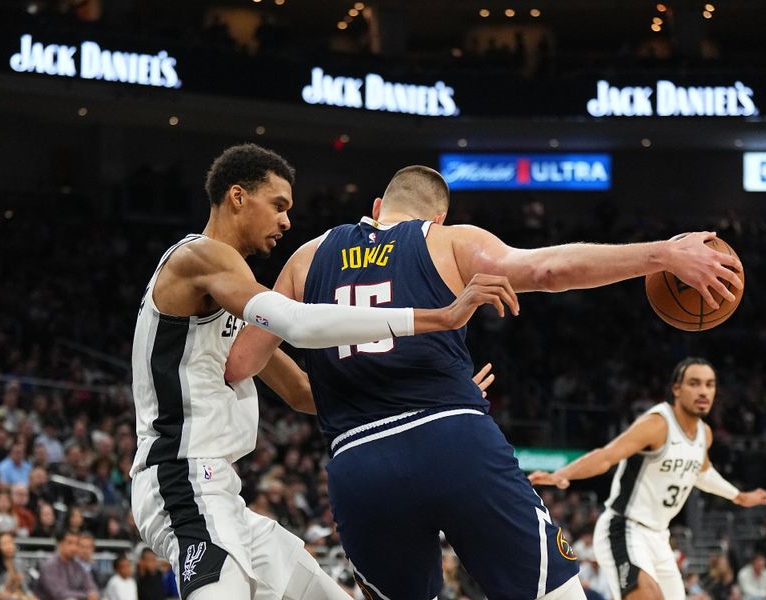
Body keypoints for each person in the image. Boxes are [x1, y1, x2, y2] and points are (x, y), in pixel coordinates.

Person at [226, 165, 745, 600]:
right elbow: (547, 271)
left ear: (378, 205)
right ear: (439, 215)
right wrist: (662, 254)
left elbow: (241, 365)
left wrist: (354, 386)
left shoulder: (305, 259)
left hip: (357, 462)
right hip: (451, 439)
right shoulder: (448, 240)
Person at [129, 146, 511, 600]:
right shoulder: (201, 257)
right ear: (236, 197)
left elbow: (303, 392)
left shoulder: (231, 297)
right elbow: (299, 323)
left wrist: (434, 397)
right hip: (180, 480)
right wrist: (439, 317)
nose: (287, 222)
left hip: (222, 494)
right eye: (278, 205)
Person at [530, 357, 766, 600]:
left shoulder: (704, 433)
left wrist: (738, 496)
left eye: (710, 384)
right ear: (676, 389)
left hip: (660, 538)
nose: (703, 391)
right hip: (624, 529)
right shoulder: (657, 424)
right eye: (694, 383)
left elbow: (702, 472)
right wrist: (563, 474)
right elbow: (607, 456)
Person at [34, 529, 99, 600]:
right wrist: (86, 595)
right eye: (69, 543)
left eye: (76, 544)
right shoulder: (50, 565)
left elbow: (91, 587)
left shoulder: (78, 566)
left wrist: (92, 593)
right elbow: (59, 594)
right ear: (60, 544)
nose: (73, 548)